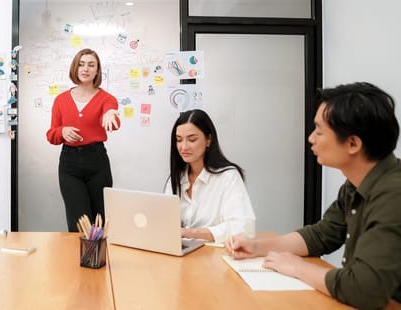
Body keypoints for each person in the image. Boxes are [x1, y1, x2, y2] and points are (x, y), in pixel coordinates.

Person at [226, 82, 401, 309]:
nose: (311, 138)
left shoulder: (393, 194)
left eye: (319, 130)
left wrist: (298, 268)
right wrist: (256, 246)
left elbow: (364, 290)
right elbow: (322, 234)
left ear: (353, 143)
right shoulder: (356, 184)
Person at [46, 48, 120, 232]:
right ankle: (78, 260)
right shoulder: (61, 100)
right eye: (81, 64)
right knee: (79, 222)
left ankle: (100, 260)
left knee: (100, 219)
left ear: (97, 70)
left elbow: (113, 116)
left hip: (97, 162)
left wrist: (111, 113)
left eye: (91, 65)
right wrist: (62, 132)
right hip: (70, 165)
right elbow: (51, 135)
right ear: (75, 68)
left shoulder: (106, 99)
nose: (85, 69)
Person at [165, 109, 255, 243]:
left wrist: (191, 233)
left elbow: (243, 228)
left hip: (214, 255)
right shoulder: (176, 177)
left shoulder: (228, 176)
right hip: (182, 253)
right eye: (179, 140)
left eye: (192, 139)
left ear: (208, 140)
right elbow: (166, 222)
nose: (183, 147)